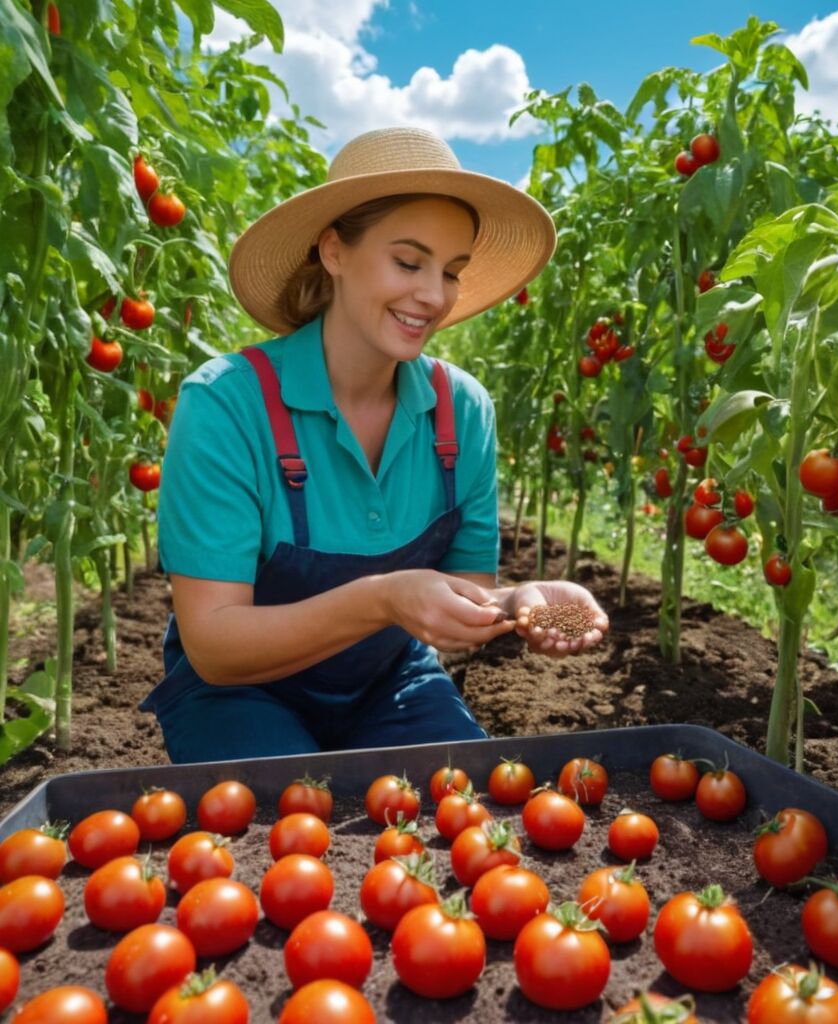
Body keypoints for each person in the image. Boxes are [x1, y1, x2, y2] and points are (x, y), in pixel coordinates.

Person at [140, 126, 609, 764]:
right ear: (333, 250)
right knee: (279, 841)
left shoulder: (461, 412)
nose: (434, 295)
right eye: (409, 262)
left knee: (468, 817)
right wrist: (384, 597)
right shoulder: (228, 404)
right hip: (237, 692)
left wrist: (513, 604)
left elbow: (462, 594)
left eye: (451, 272)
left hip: (390, 683)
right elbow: (216, 647)